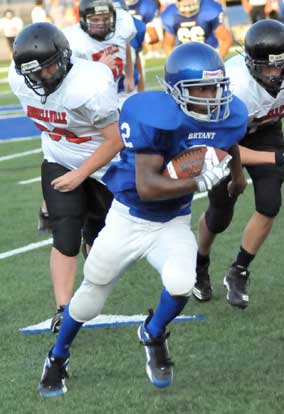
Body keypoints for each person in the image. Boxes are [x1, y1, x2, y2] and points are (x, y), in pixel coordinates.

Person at [37, 41, 248, 397]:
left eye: (216, 86)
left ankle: (153, 333)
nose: (212, 96)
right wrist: (197, 181)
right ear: (176, 91)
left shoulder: (229, 114)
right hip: (129, 218)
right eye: (201, 89)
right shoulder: (152, 115)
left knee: (182, 281)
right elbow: (147, 186)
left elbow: (229, 139)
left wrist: (238, 174)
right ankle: (57, 357)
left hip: (172, 223)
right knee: (91, 297)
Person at [9, 22, 123, 332]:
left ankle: (91, 235)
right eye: (35, 72)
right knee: (65, 234)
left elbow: (115, 140)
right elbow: (49, 126)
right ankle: (63, 309)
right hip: (58, 160)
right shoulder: (19, 81)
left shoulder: (90, 85)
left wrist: (81, 175)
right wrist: (65, 179)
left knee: (101, 247)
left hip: (102, 166)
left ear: (64, 57)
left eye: (48, 68)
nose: (43, 77)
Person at [193, 19, 284, 306]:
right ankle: (199, 264)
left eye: (281, 65)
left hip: (266, 128)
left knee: (270, 203)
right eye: (266, 67)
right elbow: (221, 146)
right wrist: (276, 158)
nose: (275, 74)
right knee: (220, 212)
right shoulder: (233, 88)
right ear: (249, 63)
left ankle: (239, 270)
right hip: (227, 140)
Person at [38, 0, 136, 233]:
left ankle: (121, 200)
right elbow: (68, 75)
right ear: (82, 19)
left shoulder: (123, 26)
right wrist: (96, 67)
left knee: (130, 144)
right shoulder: (73, 40)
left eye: (105, 19)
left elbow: (127, 47)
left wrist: (130, 74)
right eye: (95, 19)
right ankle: (51, 201)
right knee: (73, 146)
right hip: (87, 101)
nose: (101, 24)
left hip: (117, 95)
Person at [161, 0, 233, 59]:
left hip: (209, 54)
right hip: (185, 57)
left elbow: (226, 39)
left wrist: (216, 60)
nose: (186, 2)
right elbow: (168, 45)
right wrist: (175, 63)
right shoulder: (170, 13)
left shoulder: (209, 8)